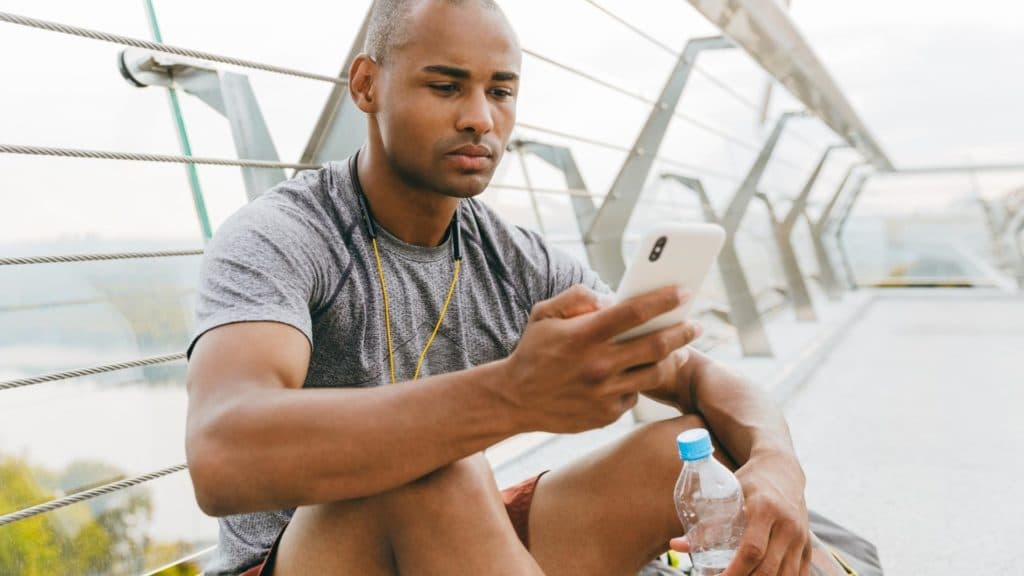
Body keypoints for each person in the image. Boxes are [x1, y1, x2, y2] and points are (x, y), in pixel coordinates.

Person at [184, 1, 830, 574]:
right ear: (366, 85)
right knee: (434, 471)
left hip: (447, 542)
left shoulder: (511, 256)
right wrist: (509, 396)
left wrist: (779, 465)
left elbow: (696, 376)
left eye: (501, 91)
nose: (479, 119)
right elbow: (221, 455)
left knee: (682, 454)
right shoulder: (281, 235)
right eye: (445, 86)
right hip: (293, 561)